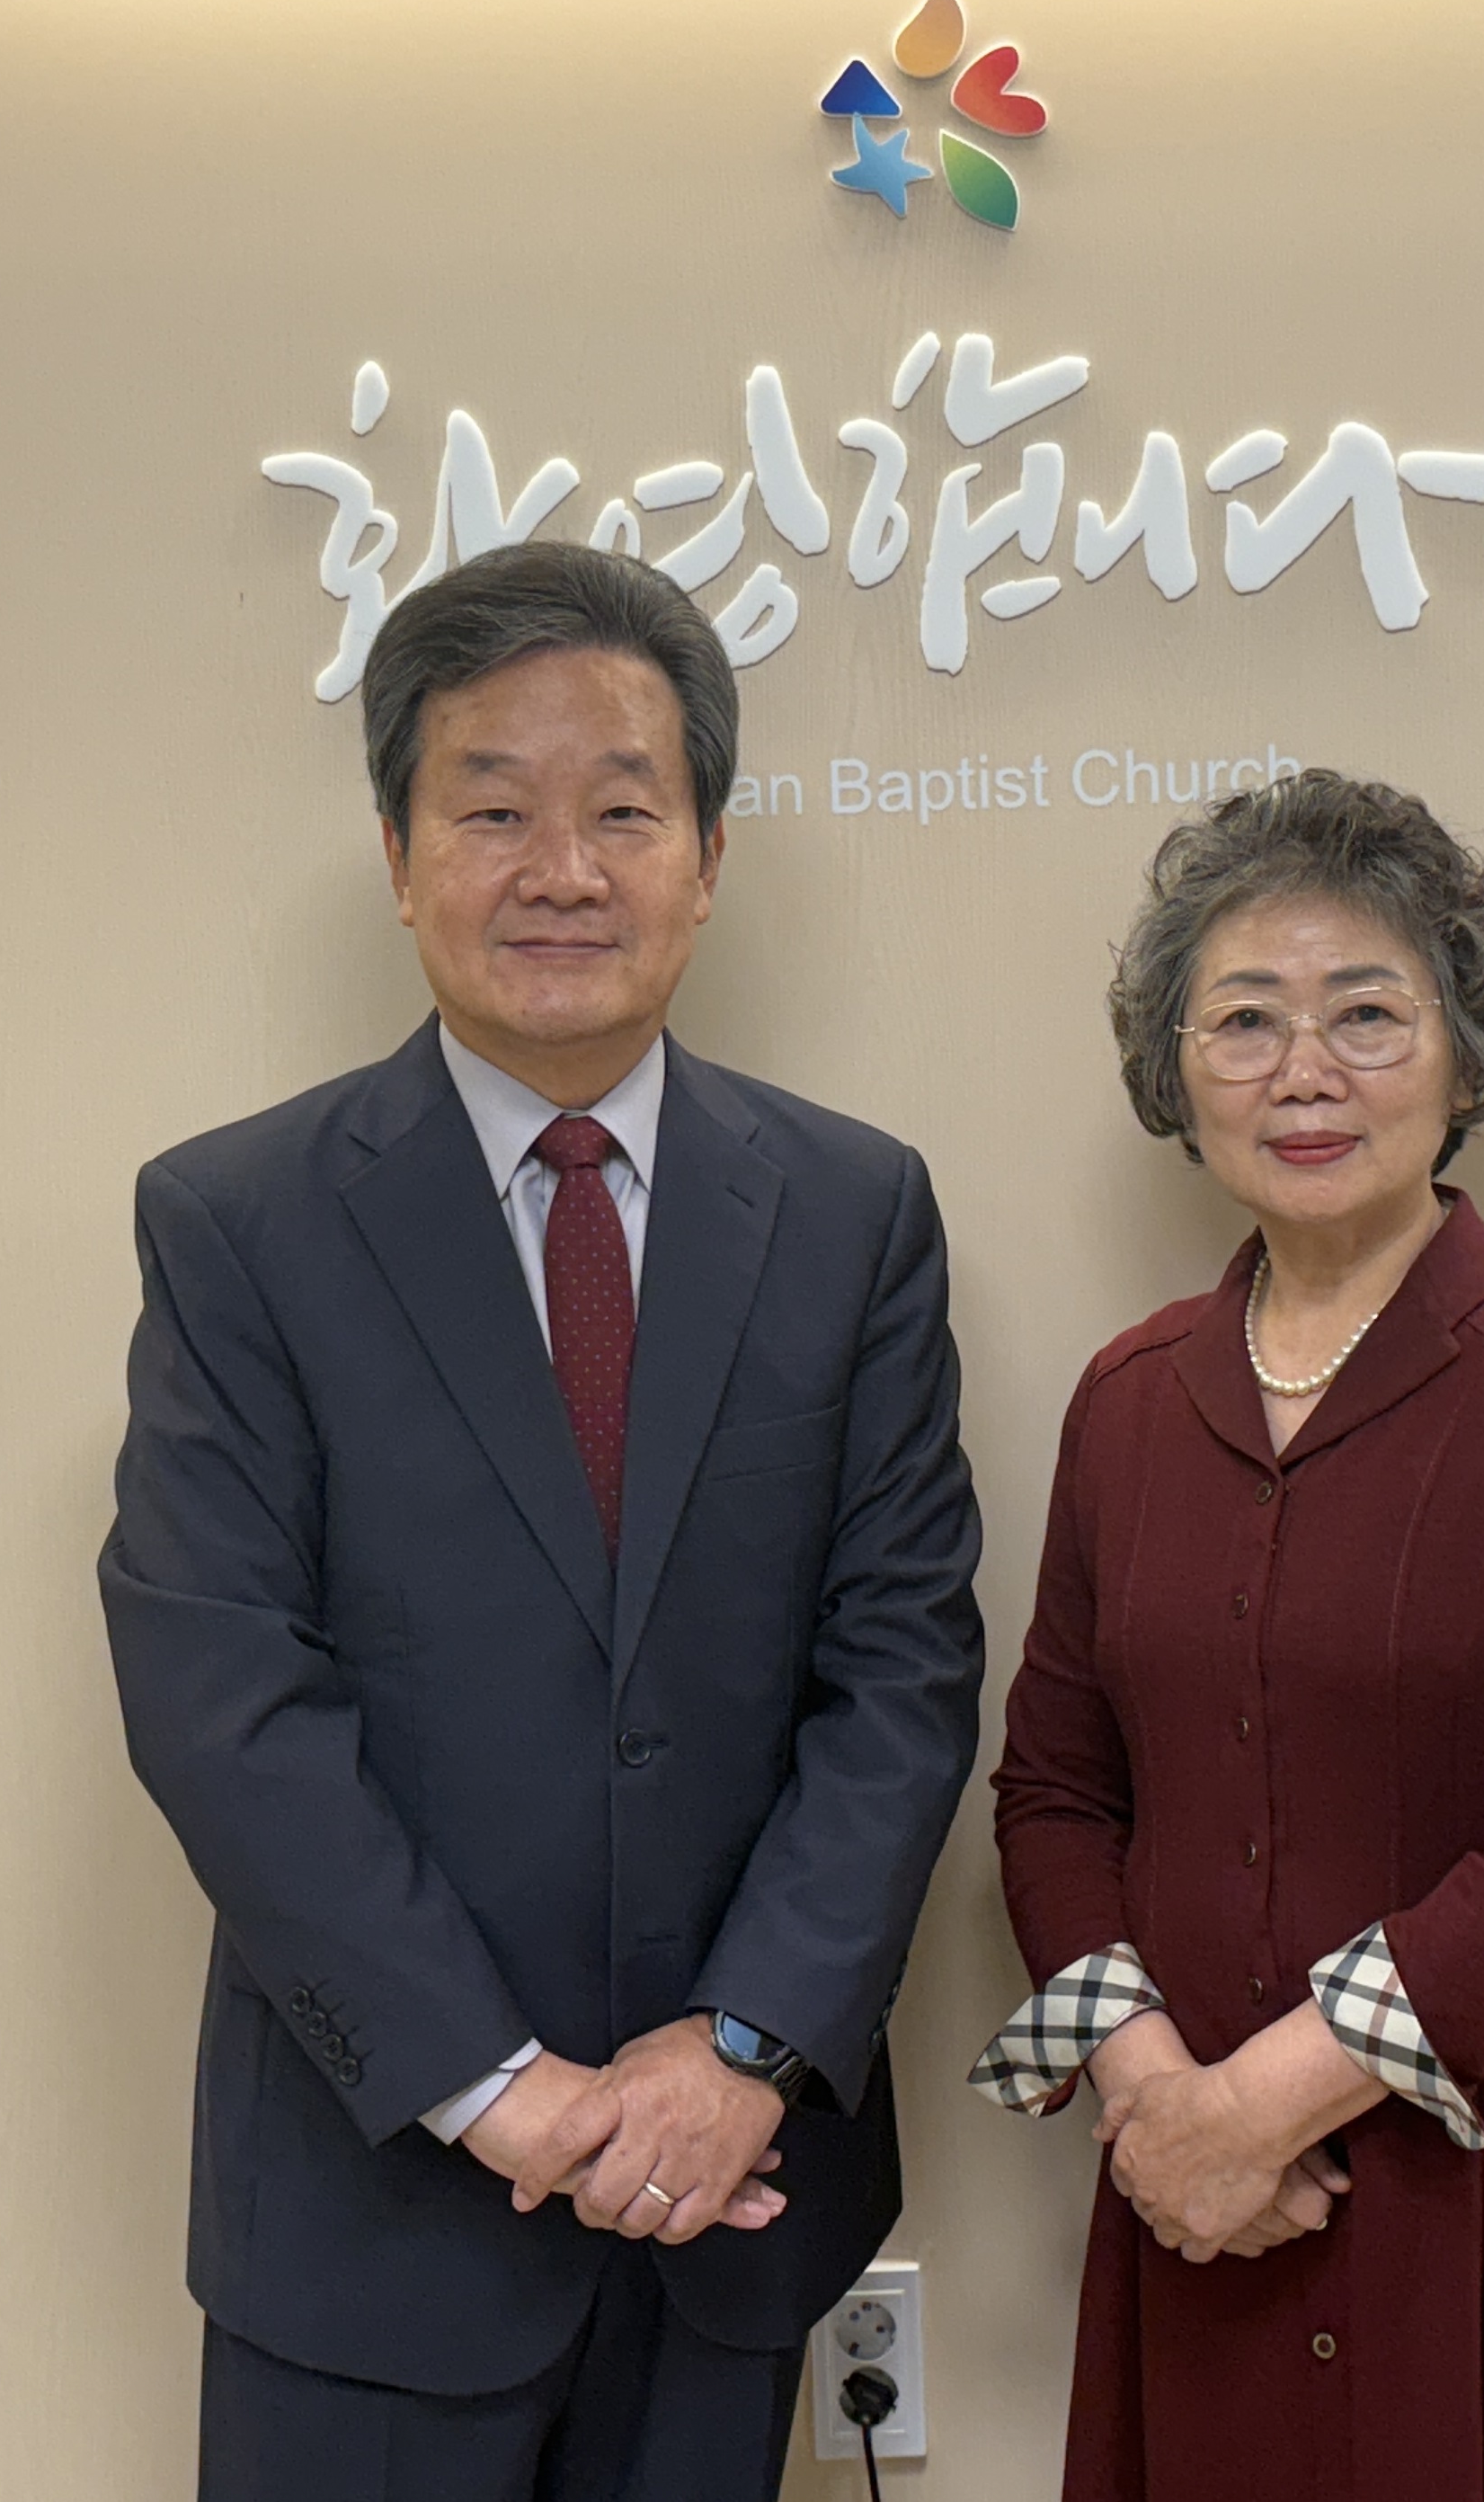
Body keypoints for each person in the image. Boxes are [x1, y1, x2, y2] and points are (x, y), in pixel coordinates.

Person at [101, 541, 984, 2502]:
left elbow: (902, 1671)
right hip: (372, 2216)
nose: (561, 870)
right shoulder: (238, 1223)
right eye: (493, 809)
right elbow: (221, 1694)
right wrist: (497, 2089)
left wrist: (739, 2049)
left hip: (726, 2203)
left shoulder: (851, 1214)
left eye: (623, 812)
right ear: (400, 852)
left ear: (710, 856)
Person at [973, 770, 1484, 2501]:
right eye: (1243, 1019)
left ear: (1465, 1057)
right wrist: (1157, 2103)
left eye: (1367, 1014)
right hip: (1202, 2202)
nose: (1302, 1070)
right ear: (1175, 1072)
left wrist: (1260, 2107)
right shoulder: (1125, 1401)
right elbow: (1054, 1797)